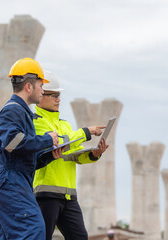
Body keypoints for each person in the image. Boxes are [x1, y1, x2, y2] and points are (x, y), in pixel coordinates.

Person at [0, 58, 63, 239]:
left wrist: (48, 156)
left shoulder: (22, 112)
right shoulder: (13, 110)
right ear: (29, 87)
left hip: (13, 180)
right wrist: (46, 140)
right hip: (10, 182)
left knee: (6, 235)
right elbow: (12, 143)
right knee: (33, 228)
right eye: (40, 85)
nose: (43, 90)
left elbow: (22, 157)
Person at [32, 70, 109, 240]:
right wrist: (86, 132)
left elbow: (74, 153)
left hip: (69, 196)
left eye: (59, 95)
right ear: (41, 95)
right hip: (46, 194)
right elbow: (57, 142)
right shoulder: (36, 122)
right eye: (54, 95)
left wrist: (93, 155)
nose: (58, 99)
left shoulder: (65, 124)